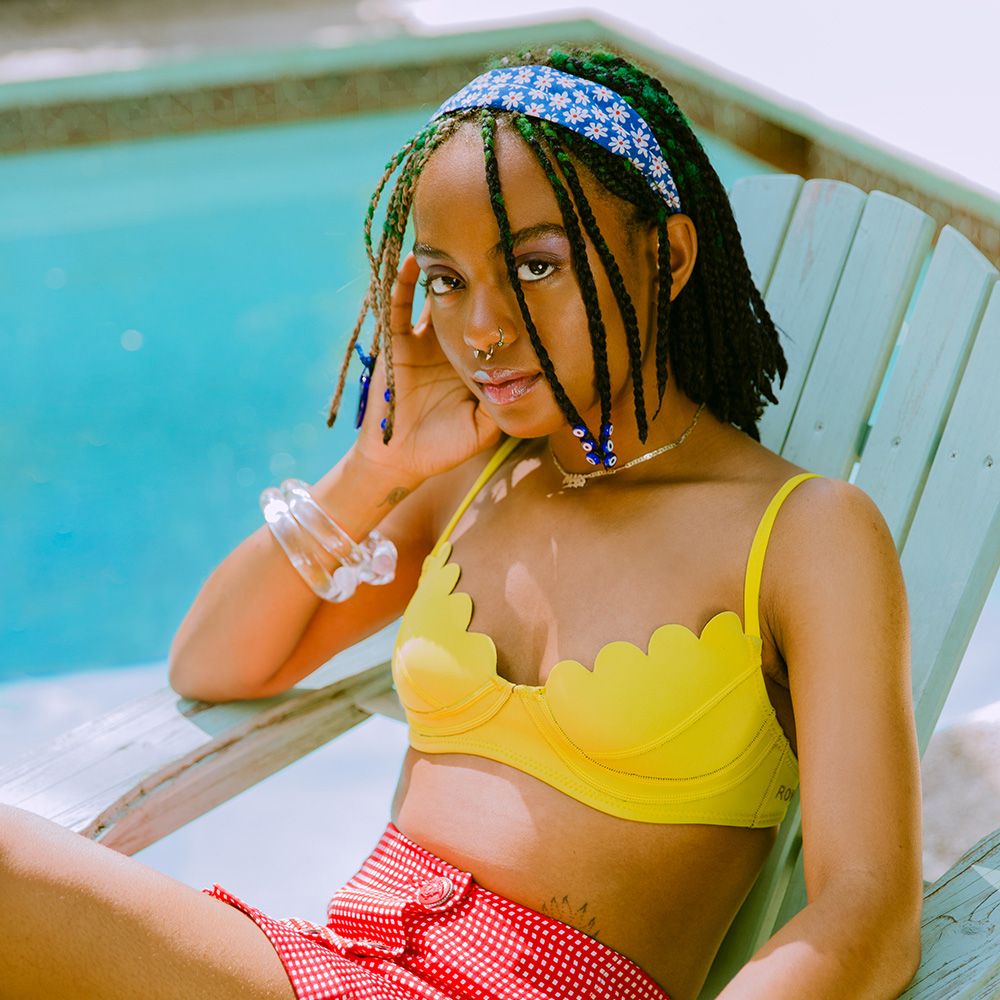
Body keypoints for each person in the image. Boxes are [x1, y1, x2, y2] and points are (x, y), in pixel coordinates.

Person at [0, 45, 924, 1000]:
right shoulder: (475, 483)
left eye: (534, 265)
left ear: (669, 256)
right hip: (342, 969)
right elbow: (216, 661)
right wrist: (374, 470)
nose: (482, 329)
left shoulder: (804, 535)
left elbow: (868, 909)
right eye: (446, 280)